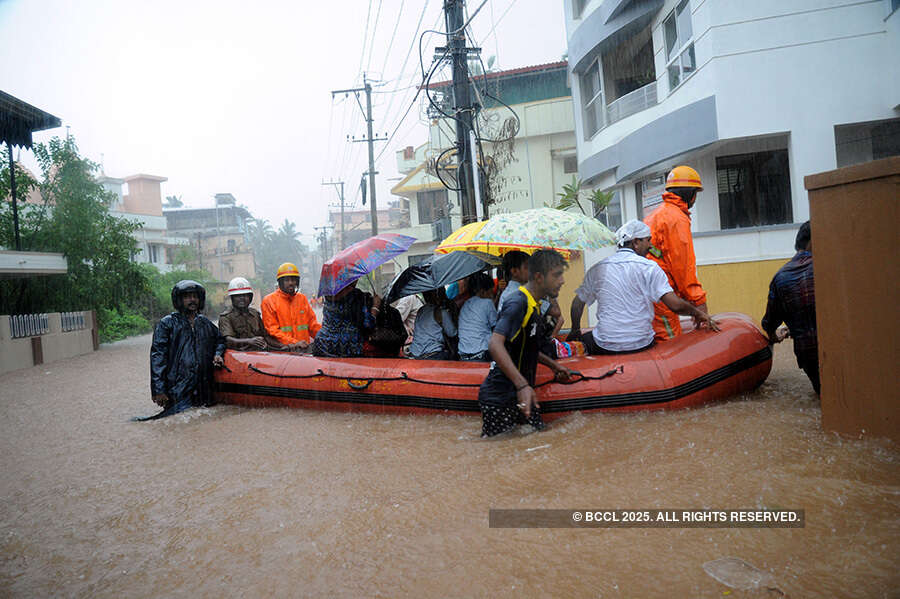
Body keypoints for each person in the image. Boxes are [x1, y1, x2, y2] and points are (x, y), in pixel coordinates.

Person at [568, 220, 719, 355]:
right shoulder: (649, 267)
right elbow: (675, 305)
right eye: (648, 240)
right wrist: (698, 313)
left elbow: (577, 305)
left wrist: (575, 330)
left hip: (605, 344)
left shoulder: (597, 269)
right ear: (636, 242)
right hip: (641, 343)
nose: (651, 245)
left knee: (585, 340)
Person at [478, 250, 573, 437]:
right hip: (501, 395)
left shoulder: (534, 305)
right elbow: (495, 344)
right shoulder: (518, 303)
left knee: (537, 441)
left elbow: (528, 348)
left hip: (520, 392)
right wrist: (522, 385)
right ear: (538, 277)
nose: (562, 281)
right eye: (556, 275)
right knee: (499, 453)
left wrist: (555, 366)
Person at [644, 165, 710, 341]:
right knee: (670, 345)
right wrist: (699, 304)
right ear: (691, 194)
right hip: (662, 297)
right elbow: (683, 268)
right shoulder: (676, 219)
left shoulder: (656, 214)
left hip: (646, 292)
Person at [150, 280, 225, 414]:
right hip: (178, 387)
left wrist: (218, 354)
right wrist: (158, 390)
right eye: (187, 297)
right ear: (178, 300)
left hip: (203, 387)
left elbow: (220, 340)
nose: (192, 300)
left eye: (195, 296)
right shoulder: (167, 324)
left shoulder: (205, 322)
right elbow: (158, 357)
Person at [762, 221, 819, 394]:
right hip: (835, 348)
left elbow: (769, 323)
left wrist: (774, 336)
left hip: (806, 353)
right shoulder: (826, 266)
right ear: (812, 241)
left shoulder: (781, 277)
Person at [261, 262, 321, 352]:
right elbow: (272, 330)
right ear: (280, 282)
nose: (291, 283)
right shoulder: (269, 301)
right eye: (287, 280)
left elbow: (312, 325)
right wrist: (294, 343)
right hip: (283, 352)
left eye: (293, 280)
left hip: (304, 350)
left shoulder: (302, 298)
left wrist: (325, 336)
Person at [312, 280, 380, 358]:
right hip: (348, 348)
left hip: (322, 344)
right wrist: (375, 307)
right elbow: (368, 325)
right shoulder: (356, 296)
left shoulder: (327, 294)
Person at [219, 277, 280, 351]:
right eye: (238, 296)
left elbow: (266, 336)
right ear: (232, 298)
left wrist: (284, 347)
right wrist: (249, 341)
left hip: (258, 354)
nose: (242, 298)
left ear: (250, 297)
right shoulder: (226, 317)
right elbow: (228, 341)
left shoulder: (255, 314)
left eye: (245, 295)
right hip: (237, 356)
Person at [457, 272, 498, 362]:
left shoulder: (465, 305)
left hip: (463, 356)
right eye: (491, 292)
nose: (491, 296)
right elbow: (496, 328)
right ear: (483, 291)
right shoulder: (487, 303)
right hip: (481, 354)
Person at [409, 288, 458, 360]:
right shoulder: (442, 312)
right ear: (437, 295)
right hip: (433, 354)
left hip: (415, 353)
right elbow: (452, 333)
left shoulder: (421, 310)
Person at [498, 250, 551, 316]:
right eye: (526, 267)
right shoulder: (521, 294)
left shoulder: (509, 292)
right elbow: (555, 311)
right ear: (514, 271)